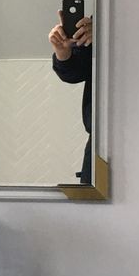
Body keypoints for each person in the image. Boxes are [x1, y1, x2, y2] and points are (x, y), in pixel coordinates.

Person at [49, 12, 93, 184]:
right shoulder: (101, 19)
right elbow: (74, 73)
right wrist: (63, 52)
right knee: (92, 208)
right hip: (100, 142)